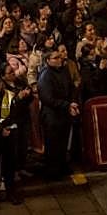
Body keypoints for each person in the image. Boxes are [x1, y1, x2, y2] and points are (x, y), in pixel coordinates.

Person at [37, 48, 78, 179]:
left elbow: (71, 87)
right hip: (52, 115)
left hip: (64, 112)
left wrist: (72, 102)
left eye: (60, 57)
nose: (59, 60)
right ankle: (53, 171)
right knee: (53, 144)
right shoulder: (45, 75)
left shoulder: (64, 71)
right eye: (55, 58)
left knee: (63, 142)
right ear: (48, 60)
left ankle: (62, 166)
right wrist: (66, 105)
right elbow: (47, 98)